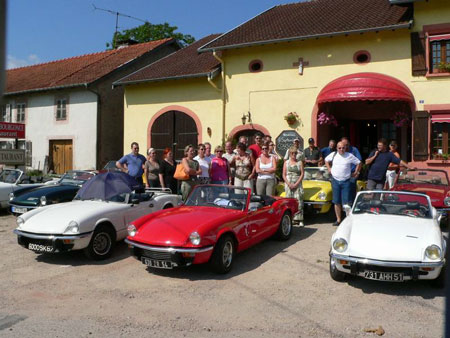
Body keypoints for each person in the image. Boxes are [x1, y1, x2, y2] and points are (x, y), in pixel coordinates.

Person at [325, 141, 362, 226]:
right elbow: (326, 160)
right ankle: (338, 220)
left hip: (346, 181)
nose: (341, 149)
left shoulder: (349, 155)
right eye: (339, 148)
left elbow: (359, 163)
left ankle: (347, 220)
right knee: (336, 201)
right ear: (336, 148)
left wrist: (356, 172)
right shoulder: (333, 155)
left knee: (346, 203)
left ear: (346, 148)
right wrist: (329, 169)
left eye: (343, 148)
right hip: (335, 181)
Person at [283, 146, 305, 226]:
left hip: (297, 183)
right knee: (289, 201)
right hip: (288, 183)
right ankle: (291, 219)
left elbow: (302, 174)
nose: (294, 155)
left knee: (299, 200)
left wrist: (296, 183)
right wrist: (288, 184)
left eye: (295, 153)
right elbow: (283, 174)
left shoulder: (300, 163)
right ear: (289, 154)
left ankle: (299, 219)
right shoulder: (286, 163)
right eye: (292, 153)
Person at [341, 137, 362, 203]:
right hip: (343, 174)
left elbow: (360, 161)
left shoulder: (354, 150)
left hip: (352, 173)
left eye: (347, 144)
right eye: (344, 144)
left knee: (351, 190)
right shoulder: (340, 150)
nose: (345, 146)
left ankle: (351, 205)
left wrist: (357, 172)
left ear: (349, 144)